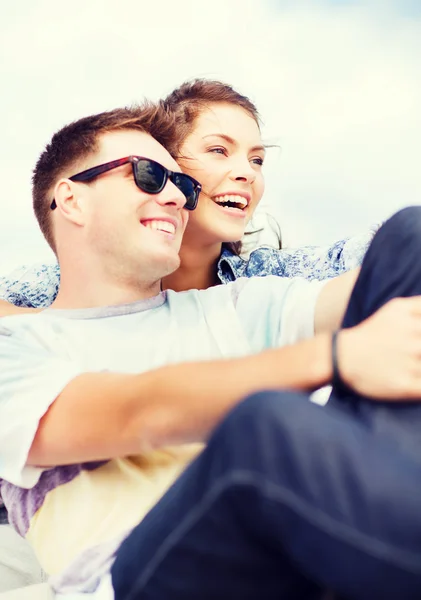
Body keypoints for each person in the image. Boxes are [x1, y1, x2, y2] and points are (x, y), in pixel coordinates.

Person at [0, 103, 421, 600]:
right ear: (70, 199)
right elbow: (135, 411)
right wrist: (333, 357)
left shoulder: (236, 306)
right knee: (263, 430)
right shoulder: (20, 346)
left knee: (407, 240)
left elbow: (370, 284)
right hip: (135, 576)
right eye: (150, 175)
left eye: (185, 185)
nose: (177, 197)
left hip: (319, 545)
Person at [0, 79, 375, 314]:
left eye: (257, 159)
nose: (248, 172)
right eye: (218, 150)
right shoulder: (58, 288)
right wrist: (48, 329)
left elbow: (376, 253)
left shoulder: (267, 284)